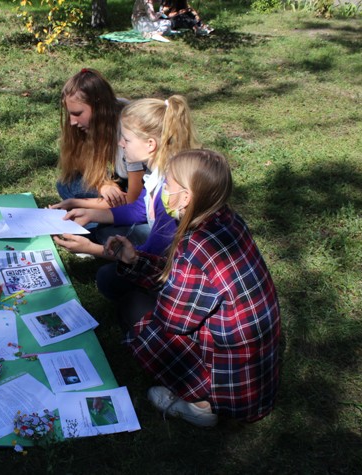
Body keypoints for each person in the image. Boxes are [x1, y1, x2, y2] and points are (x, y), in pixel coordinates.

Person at [106, 149, 280, 427]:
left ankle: (199, 405)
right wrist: (135, 260)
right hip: (254, 375)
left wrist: (148, 288)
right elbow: (184, 280)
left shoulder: (196, 245)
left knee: (133, 306)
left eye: (168, 184)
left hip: (226, 386)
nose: (163, 190)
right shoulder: (227, 219)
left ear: (186, 197)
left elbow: (173, 320)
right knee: (142, 296)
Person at [53, 95, 199, 266]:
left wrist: (92, 249)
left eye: (126, 139)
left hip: (175, 263)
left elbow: (153, 256)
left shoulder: (169, 190)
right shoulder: (158, 173)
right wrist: (89, 214)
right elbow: (138, 210)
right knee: (105, 232)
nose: (121, 144)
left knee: (107, 276)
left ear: (150, 144)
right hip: (161, 245)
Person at [55, 68, 138, 209]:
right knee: (66, 184)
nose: (72, 122)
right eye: (70, 114)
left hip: (139, 193)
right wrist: (103, 185)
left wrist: (77, 203)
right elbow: (81, 163)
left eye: (78, 113)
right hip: (121, 182)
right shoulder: (96, 122)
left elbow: (135, 202)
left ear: (99, 107)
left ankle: (101, 215)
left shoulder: (131, 133)